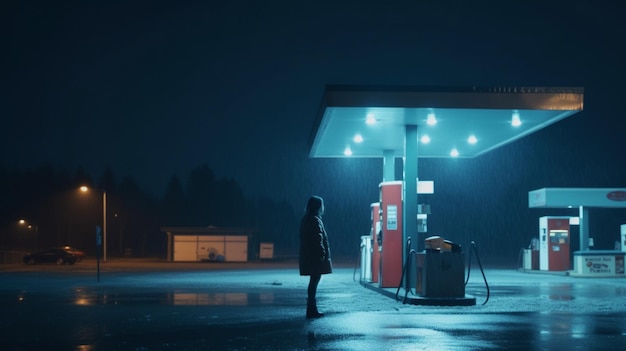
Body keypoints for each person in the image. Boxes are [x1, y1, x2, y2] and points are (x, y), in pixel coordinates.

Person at [299, 195, 333, 319]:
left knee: (313, 282)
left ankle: (311, 308)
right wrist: (322, 253)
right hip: (315, 257)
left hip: (308, 255)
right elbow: (318, 239)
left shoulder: (306, 219)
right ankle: (312, 309)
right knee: (314, 282)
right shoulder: (315, 220)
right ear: (318, 206)